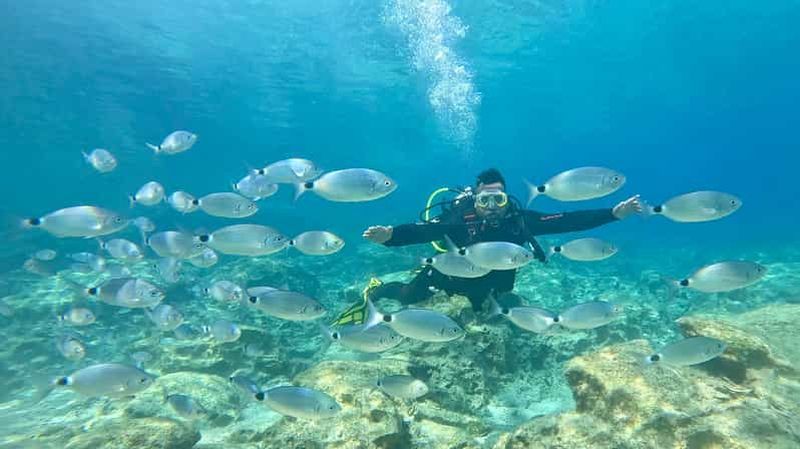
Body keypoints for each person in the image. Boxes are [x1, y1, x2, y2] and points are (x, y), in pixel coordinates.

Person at [339, 168, 642, 320]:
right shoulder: (461, 217)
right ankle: (377, 288)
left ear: (507, 198)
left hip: (490, 284)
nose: (493, 206)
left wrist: (613, 213)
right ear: (475, 199)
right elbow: (425, 231)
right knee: (408, 297)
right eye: (485, 200)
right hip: (447, 274)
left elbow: (566, 221)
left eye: (499, 199)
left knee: (487, 314)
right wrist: (391, 236)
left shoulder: (519, 219)